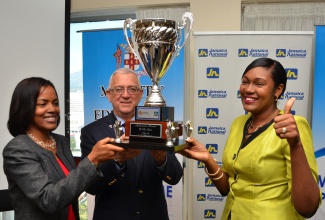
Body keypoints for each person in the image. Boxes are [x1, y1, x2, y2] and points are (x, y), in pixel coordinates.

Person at [178, 58, 321, 220]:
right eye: (245, 82)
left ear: (278, 90)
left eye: (259, 84)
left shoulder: (293, 126)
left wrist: (295, 145)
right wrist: (207, 159)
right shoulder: (239, 123)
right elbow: (228, 189)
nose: (248, 89)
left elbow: (308, 208)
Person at [3, 77, 125, 220]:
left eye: (55, 103)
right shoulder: (17, 149)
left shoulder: (61, 142)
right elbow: (49, 200)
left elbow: (74, 187)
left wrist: (118, 159)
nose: (52, 109)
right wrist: (93, 159)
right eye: (43, 104)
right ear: (25, 108)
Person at [80, 67, 183, 220]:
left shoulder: (159, 127)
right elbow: (91, 187)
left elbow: (174, 177)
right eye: (119, 89)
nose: (126, 95)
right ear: (109, 95)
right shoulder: (91, 132)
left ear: (141, 94)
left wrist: (161, 158)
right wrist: (117, 161)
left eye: (132, 89)